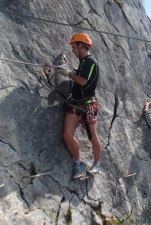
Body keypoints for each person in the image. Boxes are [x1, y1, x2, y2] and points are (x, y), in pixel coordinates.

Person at [56, 33, 102, 179]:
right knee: (67, 134)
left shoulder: (89, 61)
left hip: (87, 104)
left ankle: (97, 163)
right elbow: (80, 77)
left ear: (81, 45)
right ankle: (79, 163)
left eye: (73, 47)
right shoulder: (83, 62)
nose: (72, 50)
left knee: (92, 136)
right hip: (75, 104)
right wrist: (70, 71)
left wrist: (68, 73)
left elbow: (82, 82)